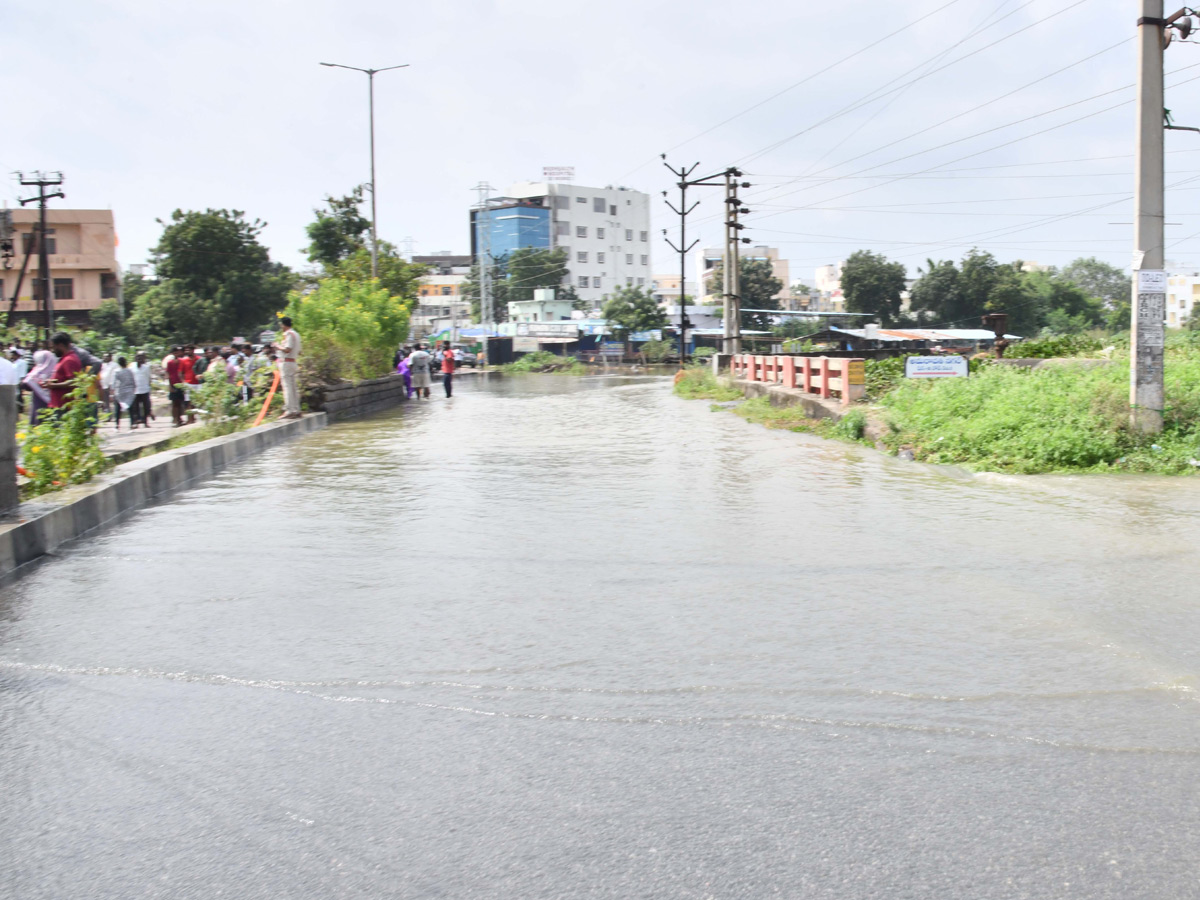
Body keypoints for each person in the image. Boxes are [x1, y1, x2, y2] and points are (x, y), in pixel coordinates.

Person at [43, 332, 84, 412]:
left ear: (60, 345)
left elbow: (75, 382)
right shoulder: (64, 359)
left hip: (64, 407)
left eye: (53, 347)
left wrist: (54, 385)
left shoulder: (69, 360)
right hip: (58, 404)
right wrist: (52, 382)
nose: (52, 351)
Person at [276, 316, 302, 419]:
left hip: (287, 362)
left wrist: (277, 346)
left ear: (283, 325)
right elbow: (300, 351)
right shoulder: (297, 334)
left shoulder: (289, 334)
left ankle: (290, 410)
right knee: (293, 387)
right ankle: (296, 409)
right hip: (293, 362)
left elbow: (287, 349)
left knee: (287, 387)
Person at [23, 349, 55, 425]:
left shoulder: (38, 371)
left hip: (40, 400)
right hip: (51, 400)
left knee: (39, 419)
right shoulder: (55, 370)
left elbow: (25, 384)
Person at [111, 356, 136, 430]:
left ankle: (117, 425)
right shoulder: (129, 371)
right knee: (130, 408)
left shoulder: (117, 371)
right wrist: (134, 388)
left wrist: (112, 391)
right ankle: (132, 424)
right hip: (129, 392)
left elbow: (114, 383)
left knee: (117, 409)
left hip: (120, 392)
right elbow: (133, 381)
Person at [131, 351, 153, 428]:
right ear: (135, 358)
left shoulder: (146, 368)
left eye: (141, 357)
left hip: (144, 390)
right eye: (138, 356)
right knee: (135, 407)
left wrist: (148, 388)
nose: (139, 358)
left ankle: (145, 422)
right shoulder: (131, 366)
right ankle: (136, 422)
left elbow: (148, 378)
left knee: (146, 407)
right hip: (135, 390)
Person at [164, 345, 185, 426]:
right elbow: (168, 374)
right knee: (174, 403)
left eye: (177, 352)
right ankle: (175, 418)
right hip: (173, 384)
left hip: (181, 384)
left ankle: (179, 418)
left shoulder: (181, 361)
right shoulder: (170, 363)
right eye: (175, 353)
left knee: (180, 402)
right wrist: (169, 386)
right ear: (172, 353)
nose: (176, 354)